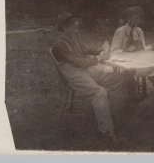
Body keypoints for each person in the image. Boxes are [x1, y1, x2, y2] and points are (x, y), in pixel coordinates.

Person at [52, 11, 134, 142]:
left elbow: (86, 50)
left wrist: (101, 50)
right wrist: (98, 58)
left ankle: (111, 113)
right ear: (64, 27)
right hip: (73, 75)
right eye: (74, 27)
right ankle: (107, 131)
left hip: (84, 71)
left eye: (77, 27)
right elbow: (78, 62)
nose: (76, 30)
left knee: (118, 78)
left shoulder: (73, 40)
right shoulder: (59, 45)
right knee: (99, 92)